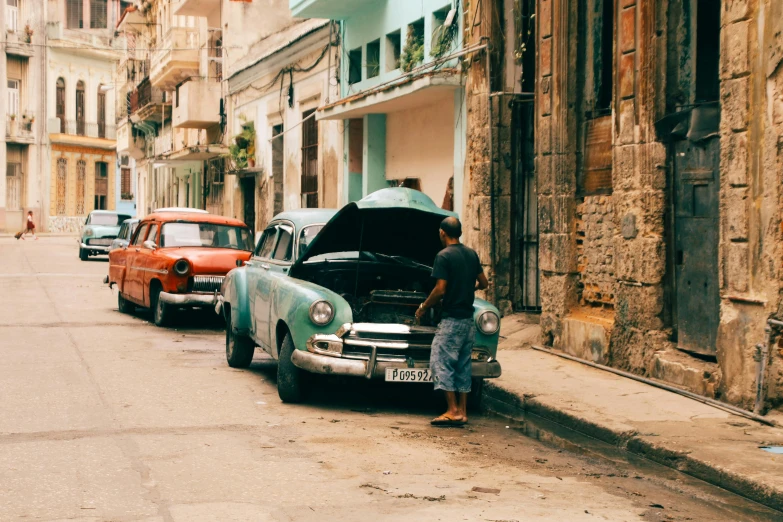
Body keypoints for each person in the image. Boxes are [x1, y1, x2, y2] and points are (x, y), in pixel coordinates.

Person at [415, 216, 488, 426]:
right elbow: (484, 282)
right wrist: (468, 288)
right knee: (463, 365)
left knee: (441, 361)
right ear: (460, 233)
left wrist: (423, 307)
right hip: (468, 320)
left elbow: (440, 289)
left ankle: (452, 410)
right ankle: (463, 411)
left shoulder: (443, 256)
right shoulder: (471, 254)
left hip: (451, 320)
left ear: (442, 233)